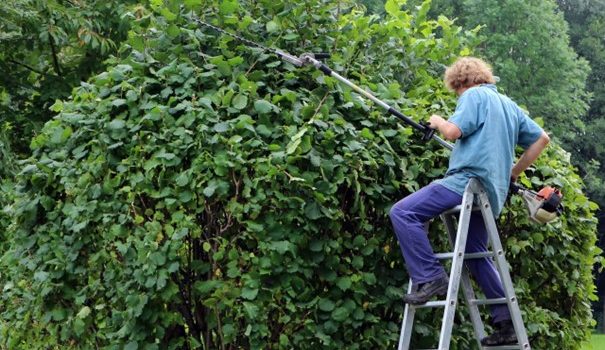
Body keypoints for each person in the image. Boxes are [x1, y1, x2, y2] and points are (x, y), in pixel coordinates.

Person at [389, 57, 550, 346]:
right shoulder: (509, 105)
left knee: (403, 212)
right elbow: (542, 139)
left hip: (465, 183)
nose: (458, 96)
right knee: (476, 252)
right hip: (492, 191)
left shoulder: (473, 95)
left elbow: (452, 132)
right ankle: (506, 323)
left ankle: (430, 276)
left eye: (456, 91)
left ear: (461, 82)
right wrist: (511, 173)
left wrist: (438, 121)